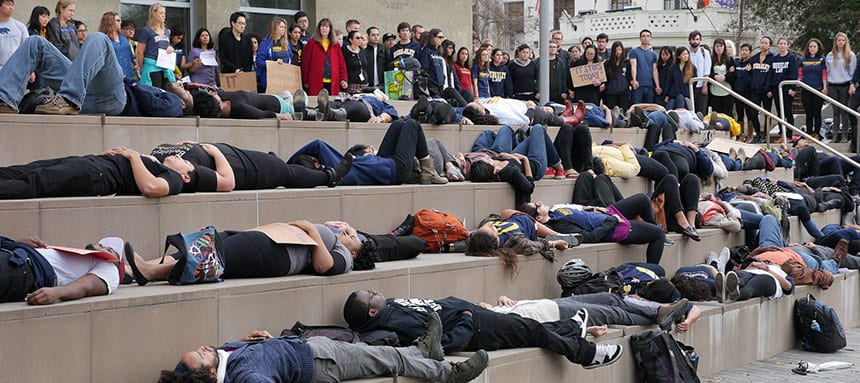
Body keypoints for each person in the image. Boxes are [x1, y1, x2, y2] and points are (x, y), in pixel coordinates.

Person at [343, 290, 623, 369]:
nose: (372, 291)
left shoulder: (391, 306)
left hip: (475, 316)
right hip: (475, 328)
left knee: (527, 327)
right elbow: (439, 343)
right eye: (369, 295)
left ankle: (569, 327)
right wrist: (466, 318)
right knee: (532, 332)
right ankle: (586, 354)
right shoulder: (394, 323)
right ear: (371, 311)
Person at [159, 320, 489, 383]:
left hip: (310, 349)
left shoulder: (224, 359)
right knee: (387, 360)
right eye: (201, 355)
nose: (205, 348)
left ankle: (423, 350)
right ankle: (448, 373)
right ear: (210, 374)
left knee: (379, 353)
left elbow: (182, 373)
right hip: (319, 364)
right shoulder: (243, 376)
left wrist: (256, 343)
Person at [0, 31, 192, 117]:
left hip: (117, 99)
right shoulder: (165, 93)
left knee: (99, 38)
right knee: (36, 43)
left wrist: (132, 83)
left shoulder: (174, 104)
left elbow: (157, 107)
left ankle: (69, 99)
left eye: (187, 92)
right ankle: (5, 100)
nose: (182, 86)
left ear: (183, 102)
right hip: (85, 89)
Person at [126, 220, 361, 284]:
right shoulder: (337, 239)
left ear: (356, 254)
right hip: (270, 238)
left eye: (352, 237)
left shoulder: (346, 258)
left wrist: (311, 228)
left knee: (212, 254)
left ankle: (150, 273)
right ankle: (136, 269)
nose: (346, 234)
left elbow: (324, 266)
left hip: (277, 254)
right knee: (201, 243)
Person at [149, 140, 353, 192]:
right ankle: (330, 176)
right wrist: (216, 152)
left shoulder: (156, 159)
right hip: (248, 169)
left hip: (240, 155)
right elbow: (227, 183)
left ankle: (302, 169)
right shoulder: (188, 174)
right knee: (285, 172)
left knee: (281, 166)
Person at [289, 119, 447, 186]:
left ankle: (425, 170)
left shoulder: (333, 172)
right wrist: (286, 166)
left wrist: (288, 171)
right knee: (412, 124)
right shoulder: (334, 168)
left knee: (398, 124)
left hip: (383, 164)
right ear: (316, 163)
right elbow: (317, 144)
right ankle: (428, 170)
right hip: (396, 170)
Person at [520, 193, 667, 264]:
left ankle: (653, 227)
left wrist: (594, 210)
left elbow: (580, 216)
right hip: (615, 228)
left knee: (643, 199)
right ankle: (650, 273)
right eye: (537, 206)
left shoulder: (555, 213)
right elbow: (590, 237)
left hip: (606, 216)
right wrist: (612, 221)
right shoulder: (559, 226)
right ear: (538, 219)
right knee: (659, 234)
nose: (540, 202)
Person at [0, 235, 125, 305]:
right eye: (102, 244)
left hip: (26, 269)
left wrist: (58, 292)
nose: (102, 246)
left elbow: (86, 285)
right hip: (15, 255)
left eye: (109, 250)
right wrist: (16, 243)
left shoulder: (110, 269)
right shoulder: (81, 257)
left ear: (115, 261)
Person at [481, 292, 690, 332]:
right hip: (554, 316)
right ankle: (659, 314)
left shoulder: (492, 312)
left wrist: (499, 302)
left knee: (610, 298)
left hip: (545, 303)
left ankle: (660, 312)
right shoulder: (488, 324)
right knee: (612, 313)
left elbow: (483, 305)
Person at [302, 18, 347, 96]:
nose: (324, 28)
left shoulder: (335, 44)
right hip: (316, 81)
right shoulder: (311, 43)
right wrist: (306, 81)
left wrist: (343, 79)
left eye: (326, 26)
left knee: (332, 105)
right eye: (322, 26)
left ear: (330, 29)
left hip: (333, 82)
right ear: (319, 28)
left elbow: (341, 64)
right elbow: (305, 64)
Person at [826, 32, 856, 143]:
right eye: (839, 40)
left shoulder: (850, 55)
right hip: (833, 85)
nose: (841, 42)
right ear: (835, 42)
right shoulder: (830, 55)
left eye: (843, 40)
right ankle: (835, 134)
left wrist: (852, 84)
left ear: (846, 41)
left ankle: (844, 134)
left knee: (844, 111)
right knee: (835, 111)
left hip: (845, 85)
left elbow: (853, 71)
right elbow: (828, 71)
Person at [190, 88, 294, 119]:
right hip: (280, 107)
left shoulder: (220, 97)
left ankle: (288, 100)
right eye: (211, 94)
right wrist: (283, 116)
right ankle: (291, 105)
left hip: (273, 98)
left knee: (286, 95)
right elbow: (262, 114)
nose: (212, 93)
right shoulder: (239, 108)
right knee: (291, 108)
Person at [136, 3, 174, 86]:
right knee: (155, 93)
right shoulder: (146, 30)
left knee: (166, 93)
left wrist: (171, 48)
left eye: (164, 13)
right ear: (153, 13)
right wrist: (141, 67)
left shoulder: (167, 31)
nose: (164, 15)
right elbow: (139, 51)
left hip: (165, 67)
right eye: (161, 13)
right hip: (152, 67)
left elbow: (166, 46)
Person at [769, 37, 798, 139]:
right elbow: (771, 74)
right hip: (776, 88)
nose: (782, 45)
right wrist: (770, 89)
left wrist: (793, 88)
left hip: (787, 88)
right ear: (778, 45)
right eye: (780, 43)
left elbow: (793, 73)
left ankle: (789, 134)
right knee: (779, 112)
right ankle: (782, 133)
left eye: (784, 43)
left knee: (788, 111)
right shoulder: (774, 59)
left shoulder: (791, 58)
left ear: (787, 45)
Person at [255, 17, 292, 93]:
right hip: (269, 80)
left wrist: (284, 62)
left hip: (284, 80)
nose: (283, 29)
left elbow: (290, 58)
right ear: (274, 28)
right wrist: (273, 64)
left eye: (284, 27)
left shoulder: (286, 43)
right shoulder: (265, 43)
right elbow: (259, 61)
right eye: (281, 27)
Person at [799, 38, 827, 138]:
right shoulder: (803, 60)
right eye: (810, 46)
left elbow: (824, 74)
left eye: (814, 46)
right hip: (806, 89)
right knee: (808, 113)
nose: (812, 48)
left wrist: (825, 87)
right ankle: (809, 133)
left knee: (817, 113)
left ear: (818, 47)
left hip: (818, 89)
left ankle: (817, 133)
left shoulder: (822, 59)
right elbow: (800, 75)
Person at [749, 36, 774, 143]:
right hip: (755, 90)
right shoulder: (754, 58)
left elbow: (773, 75)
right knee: (753, 113)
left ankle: (765, 134)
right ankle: (758, 133)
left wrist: (770, 89)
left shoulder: (773, 58)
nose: (763, 45)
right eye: (762, 42)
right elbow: (749, 73)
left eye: (766, 43)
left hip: (767, 90)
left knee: (767, 113)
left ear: (769, 45)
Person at [100, 11, 135, 79]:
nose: (120, 22)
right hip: (113, 75)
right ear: (110, 21)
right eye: (118, 20)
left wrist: (135, 62)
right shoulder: (104, 38)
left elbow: (129, 52)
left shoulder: (123, 37)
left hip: (128, 73)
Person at [629, 29, 660, 104]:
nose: (645, 38)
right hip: (638, 85)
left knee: (649, 108)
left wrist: (657, 86)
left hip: (650, 86)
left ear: (650, 38)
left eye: (648, 36)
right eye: (643, 36)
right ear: (640, 38)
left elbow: (655, 70)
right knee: (636, 108)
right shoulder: (634, 51)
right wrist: (634, 80)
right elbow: (634, 66)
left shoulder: (653, 54)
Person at [709, 38, 735, 115]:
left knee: (727, 114)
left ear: (724, 47)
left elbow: (733, 76)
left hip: (727, 91)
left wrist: (725, 77)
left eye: (721, 46)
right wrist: (715, 76)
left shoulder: (730, 60)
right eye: (717, 46)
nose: (719, 48)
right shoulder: (710, 59)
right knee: (717, 114)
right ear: (714, 47)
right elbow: (708, 73)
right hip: (714, 91)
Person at [687, 31, 711, 115]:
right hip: (688, 86)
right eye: (693, 39)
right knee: (690, 112)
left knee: (701, 112)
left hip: (701, 86)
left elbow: (707, 70)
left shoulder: (705, 53)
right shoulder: (686, 53)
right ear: (689, 40)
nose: (695, 41)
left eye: (697, 39)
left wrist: (705, 85)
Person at [0, 0, 27, 71]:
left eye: (12, 5)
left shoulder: (20, 26)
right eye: (8, 4)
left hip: (16, 70)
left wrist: (30, 70)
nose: (11, 7)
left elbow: (26, 49)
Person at [603, 41, 630, 110]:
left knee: (623, 112)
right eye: (616, 50)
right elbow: (604, 77)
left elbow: (629, 76)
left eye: (619, 49)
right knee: (612, 112)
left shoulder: (626, 62)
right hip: (611, 92)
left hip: (624, 92)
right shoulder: (607, 63)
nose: (618, 52)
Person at [341, 30, 368, 94]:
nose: (360, 40)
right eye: (357, 38)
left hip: (364, 83)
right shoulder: (345, 52)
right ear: (351, 40)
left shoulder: (362, 51)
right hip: (352, 84)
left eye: (361, 38)